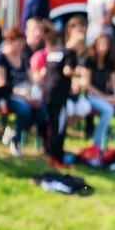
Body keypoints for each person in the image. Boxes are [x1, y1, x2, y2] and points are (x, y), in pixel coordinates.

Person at [0, 27, 47, 157]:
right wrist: (23, 95)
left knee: (42, 110)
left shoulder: (23, 58)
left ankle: (14, 131)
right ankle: (16, 140)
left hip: (24, 94)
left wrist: (35, 94)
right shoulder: (0, 58)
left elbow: (31, 79)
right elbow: (1, 85)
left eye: (23, 43)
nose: (22, 46)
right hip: (4, 96)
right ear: (9, 42)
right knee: (24, 109)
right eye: (19, 42)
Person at [79, 33, 115, 154]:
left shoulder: (110, 60)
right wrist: (105, 98)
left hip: (107, 96)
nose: (102, 47)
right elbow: (87, 85)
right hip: (92, 96)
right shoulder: (89, 60)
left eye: (105, 44)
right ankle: (96, 145)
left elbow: (114, 84)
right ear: (95, 45)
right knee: (108, 110)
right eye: (100, 44)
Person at [41, 29, 77, 168]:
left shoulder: (53, 53)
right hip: (59, 95)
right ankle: (57, 159)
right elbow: (67, 71)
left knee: (50, 123)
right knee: (59, 127)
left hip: (47, 92)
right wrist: (78, 74)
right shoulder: (70, 52)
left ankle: (49, 152)